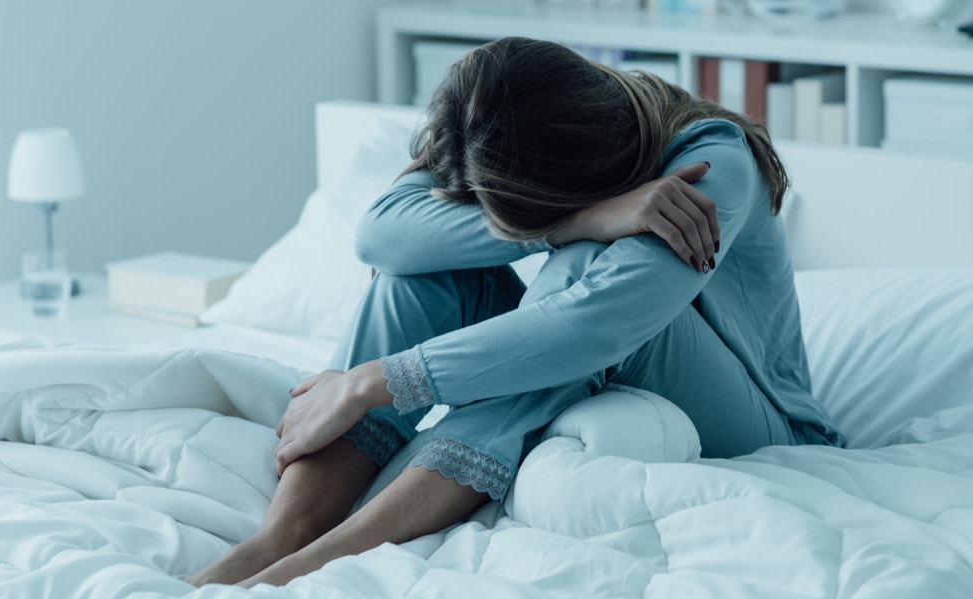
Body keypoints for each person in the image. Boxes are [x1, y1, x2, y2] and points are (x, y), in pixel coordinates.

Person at [186, 36, 842, 588]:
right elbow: (380, 234)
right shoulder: (499, 120)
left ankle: (318, 561)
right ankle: (278, 538)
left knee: (576, 288)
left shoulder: (710, 161)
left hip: (765, 424)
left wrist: (370, 381)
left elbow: (594, 324)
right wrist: (575, 220)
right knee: (419, 280)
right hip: (596, 293)